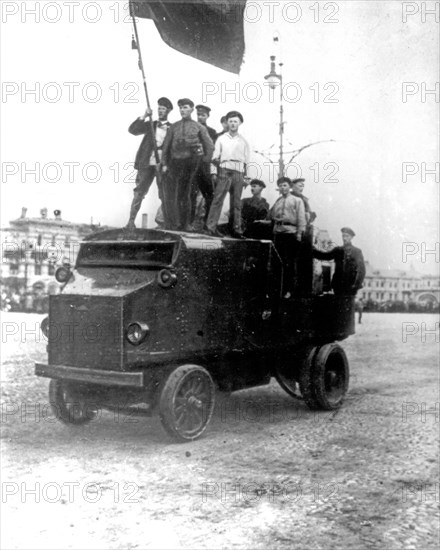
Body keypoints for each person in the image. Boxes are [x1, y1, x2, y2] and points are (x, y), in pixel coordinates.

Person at [161, 98, 214, 231]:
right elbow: (166, 147)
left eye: (185, 107)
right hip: (174, 164)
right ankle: (173, 224)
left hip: (191, 164)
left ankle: (185, 224)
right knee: (170, 194)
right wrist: (164, 164)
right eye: (181, 108)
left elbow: (210, 146)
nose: (182, 110)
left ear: (191, 109)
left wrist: (203, 162)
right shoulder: (174, 127)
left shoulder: (199, 127)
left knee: (185, 194)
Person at [126, 97, 173, 230]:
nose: (160, 111)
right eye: (159, 108)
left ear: (168, 111)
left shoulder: (172, 128)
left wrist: (167, 164)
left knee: (164, 193)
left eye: (163, 108)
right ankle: (131, 221)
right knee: (139, 191)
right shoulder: (151, 124)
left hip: (161, 164)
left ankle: (162, 222)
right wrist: (144, 115)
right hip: (146, 162)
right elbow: (133, 130)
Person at [205, 110, 250, 238]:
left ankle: (237, 230)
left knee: (236, 203)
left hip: (239, 172)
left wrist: (246, 177)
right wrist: (214, 172)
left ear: (240, 123)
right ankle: (211, 227)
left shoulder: (243, 141)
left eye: (235, 121)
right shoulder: (221, 139)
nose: (233, 124)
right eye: (230, 121)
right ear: (227, 123)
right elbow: (214, 158)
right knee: (218, 199)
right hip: (224, 170)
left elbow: (247, 161)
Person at [267, 178, 306, 297]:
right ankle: (278, 289)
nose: (282, 188)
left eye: (285, 185)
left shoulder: (297, 200)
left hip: (291, 233)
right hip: (278, 234)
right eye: (280, 186)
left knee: (289, 262)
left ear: (289, 187)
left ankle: (289, 290)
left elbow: (301, 219)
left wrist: (299, 234)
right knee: (277, 262)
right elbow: (270, 215)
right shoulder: (278, 201)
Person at [313, 227, 366, 296]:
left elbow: (362, 271)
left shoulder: (357, 252)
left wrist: (356, 285)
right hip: (338, 287)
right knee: (338, 306)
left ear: (351, 237)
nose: (344, 238)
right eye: (343, 236)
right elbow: (325, 256)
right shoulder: (338, 250)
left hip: (350, 288)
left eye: (347, 236)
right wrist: (313, 250)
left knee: (347, 306)